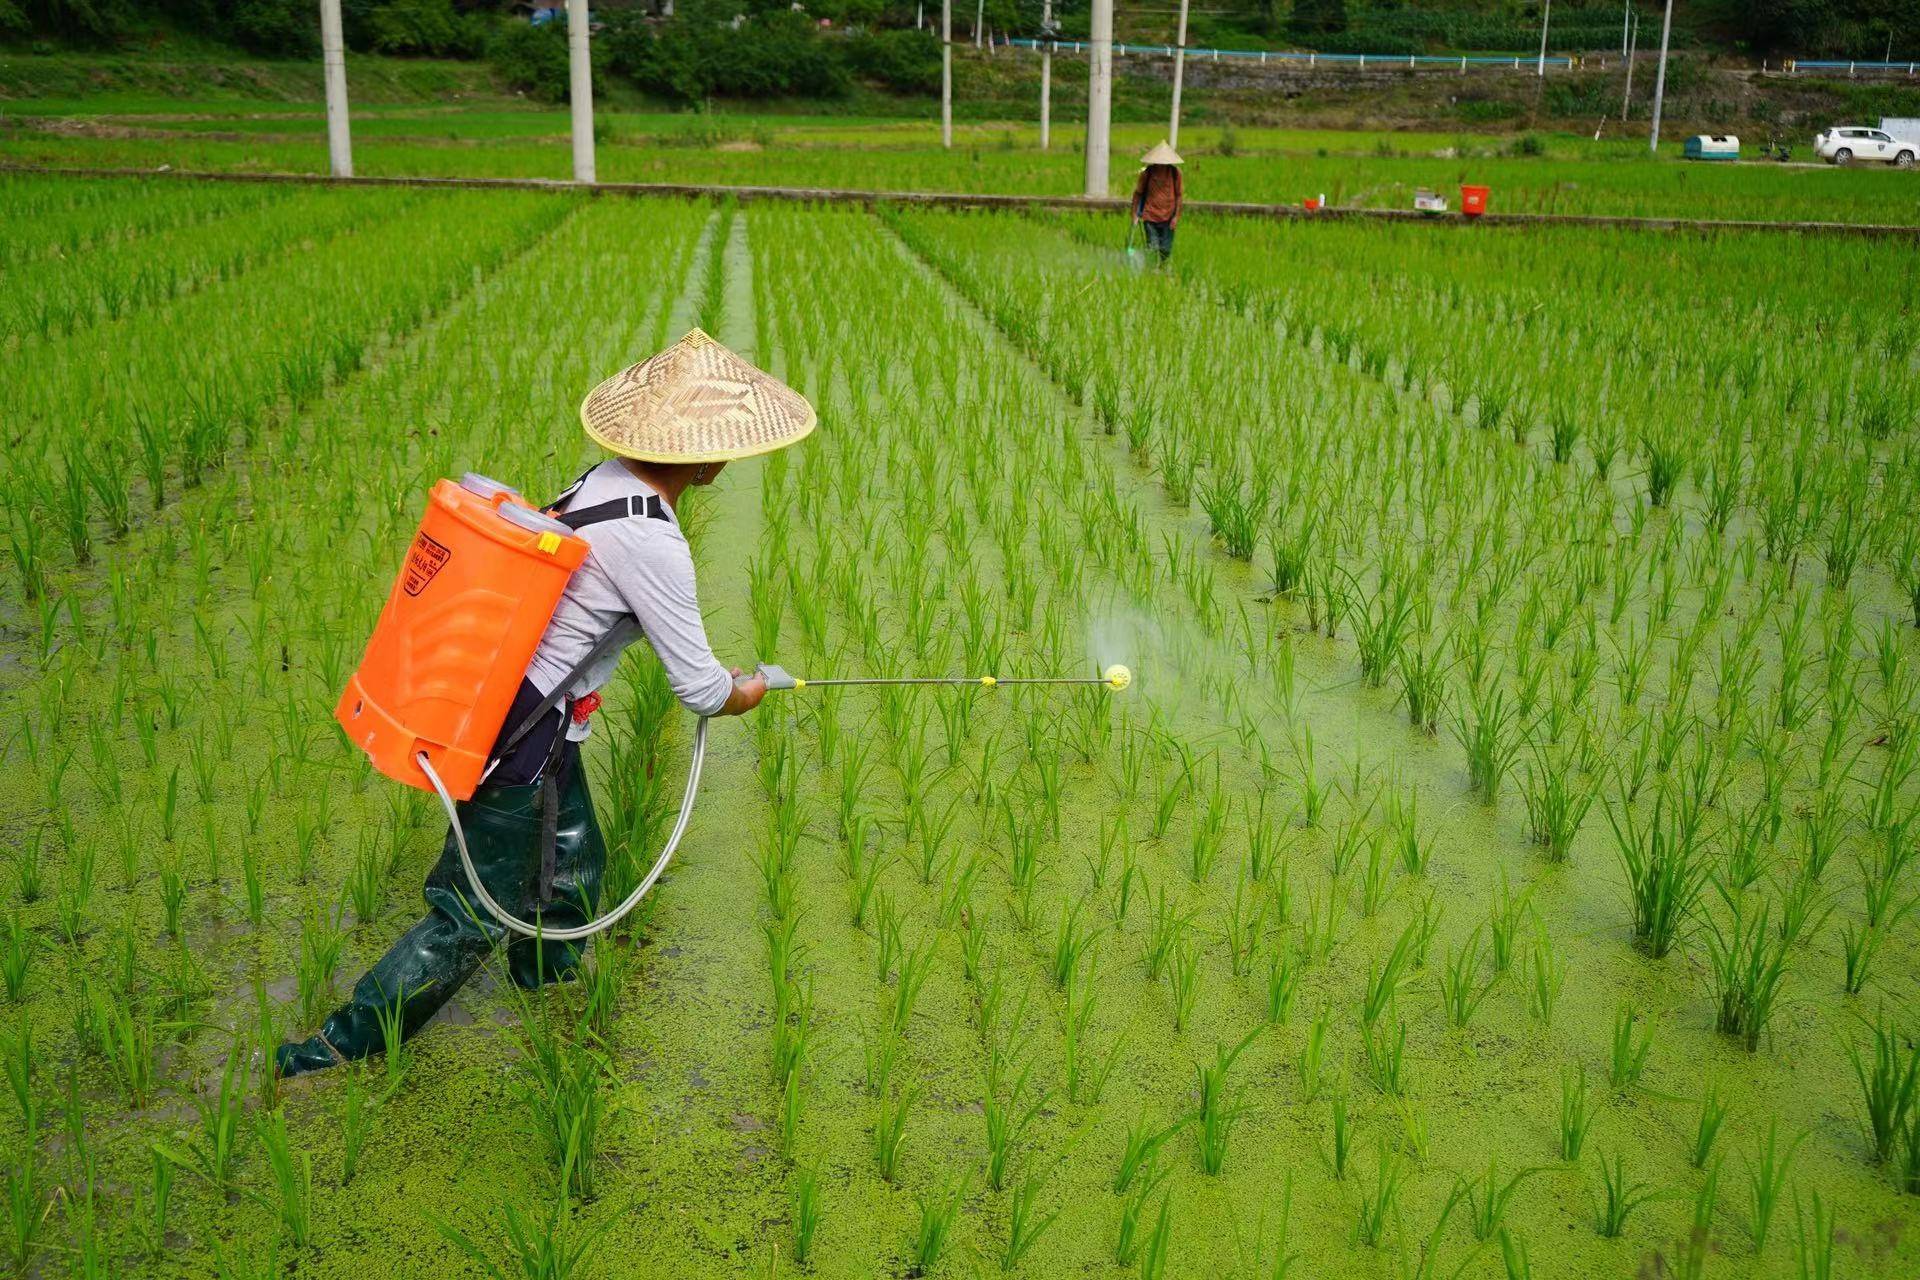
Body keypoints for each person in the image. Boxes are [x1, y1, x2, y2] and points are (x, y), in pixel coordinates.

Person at [275, 328, 816, 1078]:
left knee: (571, 863)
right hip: (519, 732)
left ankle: (549, 989)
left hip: (532, 715)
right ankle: (334, 1048)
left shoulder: (604, 482)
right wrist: (747, 690)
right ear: (700, 455)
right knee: (470, 911)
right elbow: (699, 688)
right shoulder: (652, 539)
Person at [1130, 140, 1184, 264]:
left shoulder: (1175, 174)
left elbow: (1179, 196)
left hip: (1168, 217)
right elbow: (1137, 194)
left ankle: (1162, 269)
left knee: (1165, 249)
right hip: (1150, 216)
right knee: (1152, 247)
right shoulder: (1147, 173)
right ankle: (1151, 269)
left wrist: (1176, 216)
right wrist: (1134, 214)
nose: (1161, 165)